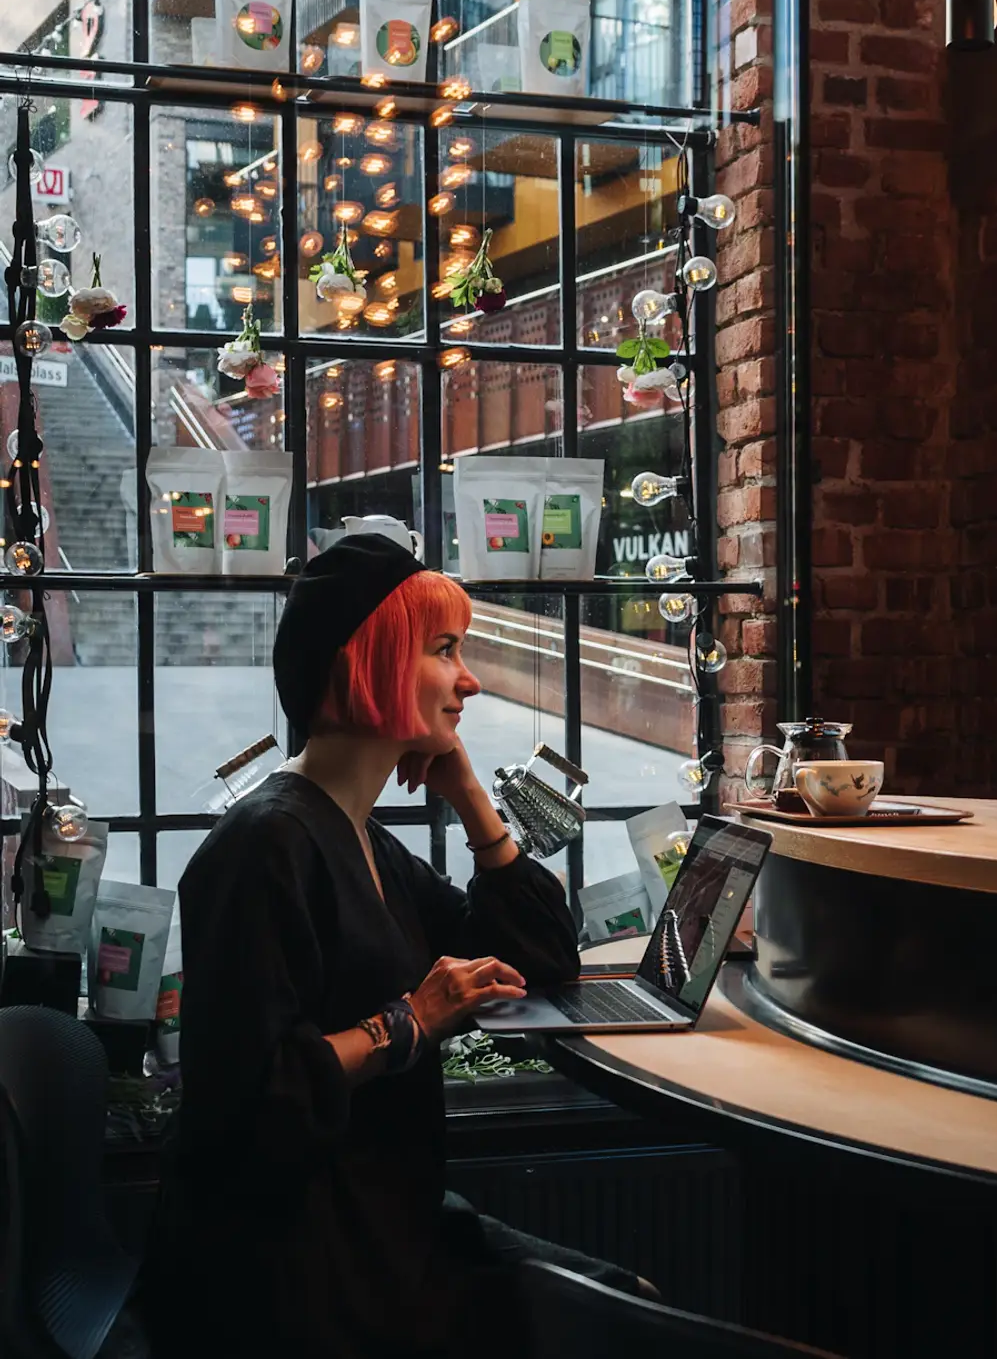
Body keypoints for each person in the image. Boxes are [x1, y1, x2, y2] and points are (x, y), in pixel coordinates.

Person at [146, 534, 638, 1359]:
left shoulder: (362, 837)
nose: (469, 680)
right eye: (444, 650)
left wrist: (469, 794)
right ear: (365, 662)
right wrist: (410, 1020)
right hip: (294, 1271)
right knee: (613, 1325)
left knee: (624, 1304)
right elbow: (250, 1102)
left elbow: (542, 962)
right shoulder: (263, 847)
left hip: (385, 1226)